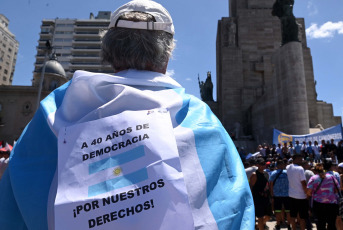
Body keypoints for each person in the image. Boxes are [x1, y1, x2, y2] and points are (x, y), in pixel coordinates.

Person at [0, 1, 254, 229]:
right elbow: (232, 208)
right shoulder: (197, 117)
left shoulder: (54, 112)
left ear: (110, 54)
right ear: (166, 57)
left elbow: (11, 209)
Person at [307, 163, 339, 230]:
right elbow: (337, 190)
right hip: (332, 204)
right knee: (331, 223)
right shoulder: (332, 177)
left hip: (318, 204)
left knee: (321, 224)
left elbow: (308, 192)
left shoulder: (313, 178)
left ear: (315, 171)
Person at [286, 154, 308, 230]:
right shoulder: (300, 168)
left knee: (293, 216)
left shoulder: (288, 167)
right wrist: (307, 194)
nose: (301, 161)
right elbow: (303, 183)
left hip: (291, 195)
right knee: (302, 217)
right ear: (295, 159)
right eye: (300, 159)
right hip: (301, 196)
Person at [250, 158, 271, 230]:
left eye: (264, 164)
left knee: (268, 216)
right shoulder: (254, 175)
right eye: (261, 164)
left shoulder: (266, 174)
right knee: (260, 218)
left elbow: (268, 185)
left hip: (266, 198)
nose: (263, 165)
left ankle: (258, 226)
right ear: (257, 165)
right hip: (258, 199)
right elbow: (251, 188)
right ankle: (260, 226)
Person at [269, 159, 291, 230]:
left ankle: (278, 225)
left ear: (276, 165)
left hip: (277, 195)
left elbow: (271, 185)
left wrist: (272, 195)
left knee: (278, 211)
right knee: (288, 211)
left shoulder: (273, 173)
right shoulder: (288, 173)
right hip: (287, 195)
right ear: (283, 165)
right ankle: (288, 225)